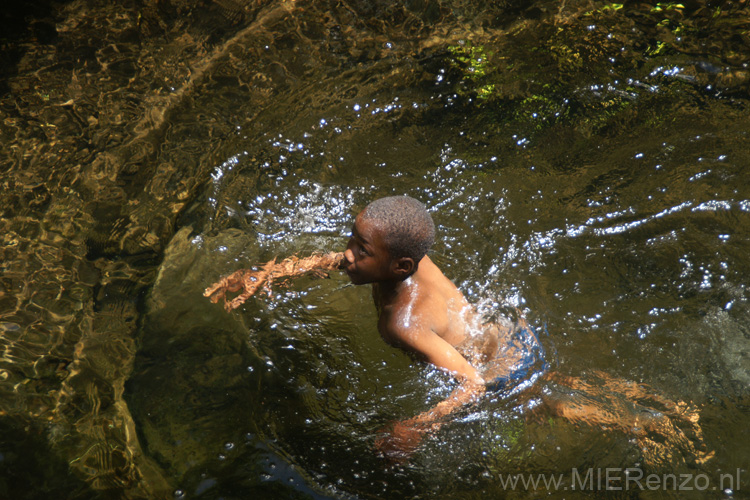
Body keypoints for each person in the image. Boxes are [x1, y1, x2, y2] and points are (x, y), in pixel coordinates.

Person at [204, 195, 711, 464]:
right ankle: (660, 405)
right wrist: (266, 274)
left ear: (400, 266)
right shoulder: (408, 261)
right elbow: (332, 261)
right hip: (508, 333)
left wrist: (417, 427)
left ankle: (652, 426)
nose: (348, 254)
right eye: (353, 239)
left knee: (551, 403)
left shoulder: (403, 321)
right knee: (560, 380)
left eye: (361, 249)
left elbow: (470, 383)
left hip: (498, 367)